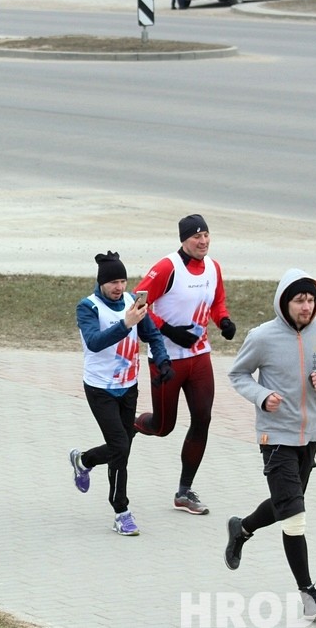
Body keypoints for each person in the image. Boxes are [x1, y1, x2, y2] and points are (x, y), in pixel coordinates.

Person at [225, 269, 316, 620]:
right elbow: (238, 374)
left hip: (311, 436)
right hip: (276, 437)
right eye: (299, 300)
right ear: (285, 302)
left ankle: (242, 528)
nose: (306, 306)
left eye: (310, 299)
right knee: (294, 516)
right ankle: (309, 595)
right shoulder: (262, 337)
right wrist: (262, 396)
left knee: (286, 504)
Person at [132, 214, 236, 515]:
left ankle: (184, 491)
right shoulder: (167, 268)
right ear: (184, 239)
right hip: (167, 359)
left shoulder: (213, 267)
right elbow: (138, 303)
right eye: (196, 236)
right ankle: (130, 423)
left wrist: (224, 321)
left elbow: (217, 302)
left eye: (206, 235)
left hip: (199, 356)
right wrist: (168, 330)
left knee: (203, 418)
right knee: (163, 426)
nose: (203, 241)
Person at [70, 252, 173, 536]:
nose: (119, 287)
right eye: (113, 282)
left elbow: (152, 334)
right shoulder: (88, 307)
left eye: (123, 281)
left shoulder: (133, 302)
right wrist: (125, 324)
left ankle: (83, 460)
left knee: (122, 449)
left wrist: (163, 362)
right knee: (120, 446)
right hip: (100, 388)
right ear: (101, 283)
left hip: (128, 387)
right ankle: (121, 511)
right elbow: (94, 342)